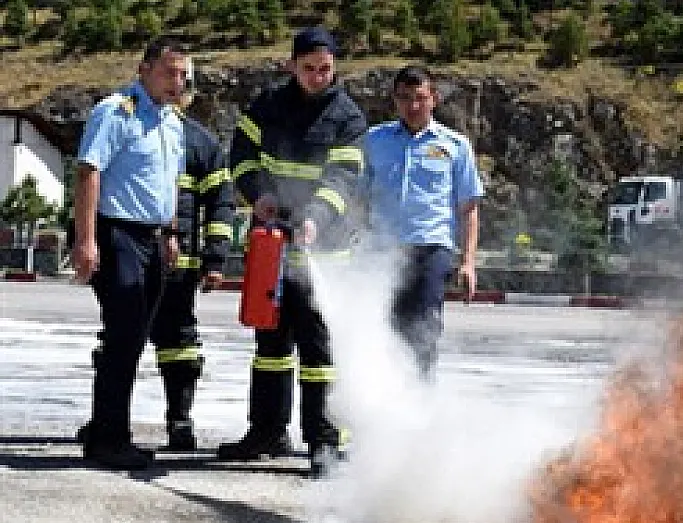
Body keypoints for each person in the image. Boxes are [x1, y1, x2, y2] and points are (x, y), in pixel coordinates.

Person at [221, 26, 368, 476]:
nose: (317, 77)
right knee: (270, 344)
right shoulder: (265, 107)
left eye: (325, 69)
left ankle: (324, 444)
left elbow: (344, 178)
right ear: (291, 66)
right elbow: (241, 156)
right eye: (308, 69)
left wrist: (315, 219)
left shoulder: (348, 118)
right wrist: (257, 195)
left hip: (325, 250)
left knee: (319, 353)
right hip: (274, 248)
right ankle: (266, 432)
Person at [72, 37, 189, 470]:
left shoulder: (172, 121)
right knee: (125, 331)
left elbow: (169, 182)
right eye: (168, 72)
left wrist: (171, 231)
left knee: (134, 335)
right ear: (144, 70)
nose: (177, 82)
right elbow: (88, 171)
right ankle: (108, 439)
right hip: (116, 231)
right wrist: (86, 241)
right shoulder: (116, 111)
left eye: (182, 74)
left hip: (153, 236)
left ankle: (103, 423)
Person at [363, 65, 483, 378]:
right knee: (384, 330)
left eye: (420, 98)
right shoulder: (373, 141)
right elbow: (355, 196)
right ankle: (384, 403)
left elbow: (468, 207)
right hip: (383, 251)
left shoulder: (455, 146)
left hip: (432, 250)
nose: (412, 107)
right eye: (404, 98)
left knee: (424, 327)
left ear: (434, 99)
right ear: (394, 100)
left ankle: (420, 403)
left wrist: (468, 262)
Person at [151, 59, 236, 451]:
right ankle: (108, 419)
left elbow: (221, 206)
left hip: (179, 266)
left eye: (185, 86)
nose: (178, 92)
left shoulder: (201, 143)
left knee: (180, 344)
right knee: (119, 340)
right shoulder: (134, 130)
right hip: (133, 256)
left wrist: (215, 258)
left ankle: (179, 421)